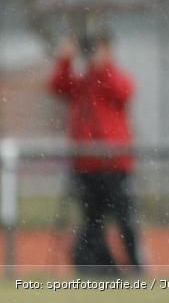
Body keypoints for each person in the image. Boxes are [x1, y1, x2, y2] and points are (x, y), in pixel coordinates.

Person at [48, 31, 143, 274]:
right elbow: (58, 86)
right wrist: (66, 59)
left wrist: (104, 67)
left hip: (115, 164)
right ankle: (102, 268)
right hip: (87, 165)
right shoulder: (82, 82)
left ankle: (136, 267)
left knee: (124, 219)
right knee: (93, 220)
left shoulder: (115, 77)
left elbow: (124, 92)